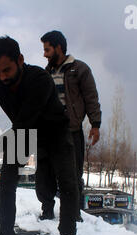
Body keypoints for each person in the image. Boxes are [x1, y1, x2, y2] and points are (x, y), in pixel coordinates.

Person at [0, 36, 81, 235]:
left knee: (67, 182)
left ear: (20, 59)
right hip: (23, 132)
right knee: (6, 183)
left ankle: (69, 234)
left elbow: (25, 122)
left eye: (6, 70)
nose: (2, 77)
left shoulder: (40, 79)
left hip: (54, 131)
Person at [38, 30, 102, 222]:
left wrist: (95, 124)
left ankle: (73, 214)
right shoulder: (45, 73)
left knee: (73, 175)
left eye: (47, 49)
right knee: (44, 175)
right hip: (47, 132)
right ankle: (47, 210)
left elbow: (91, 97)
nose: (45, 54)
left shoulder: (79, 69)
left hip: (71, 132)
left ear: (58, 47)